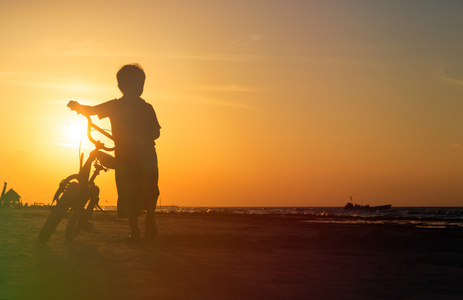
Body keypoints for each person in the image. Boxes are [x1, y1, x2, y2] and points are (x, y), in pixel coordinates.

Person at [67, 64, 161, 242]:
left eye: (140, 85)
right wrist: (78, 107)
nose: (137, 89)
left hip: (146, 157)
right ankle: (134, 231)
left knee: (149, 191)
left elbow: (156, 131)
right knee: (127, 193)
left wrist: (142, 139)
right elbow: (93, 110)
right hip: (124, 157)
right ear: (121, 87)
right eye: (132, 85)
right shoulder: (114, 106)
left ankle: (150, 217)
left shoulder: (147, 108)